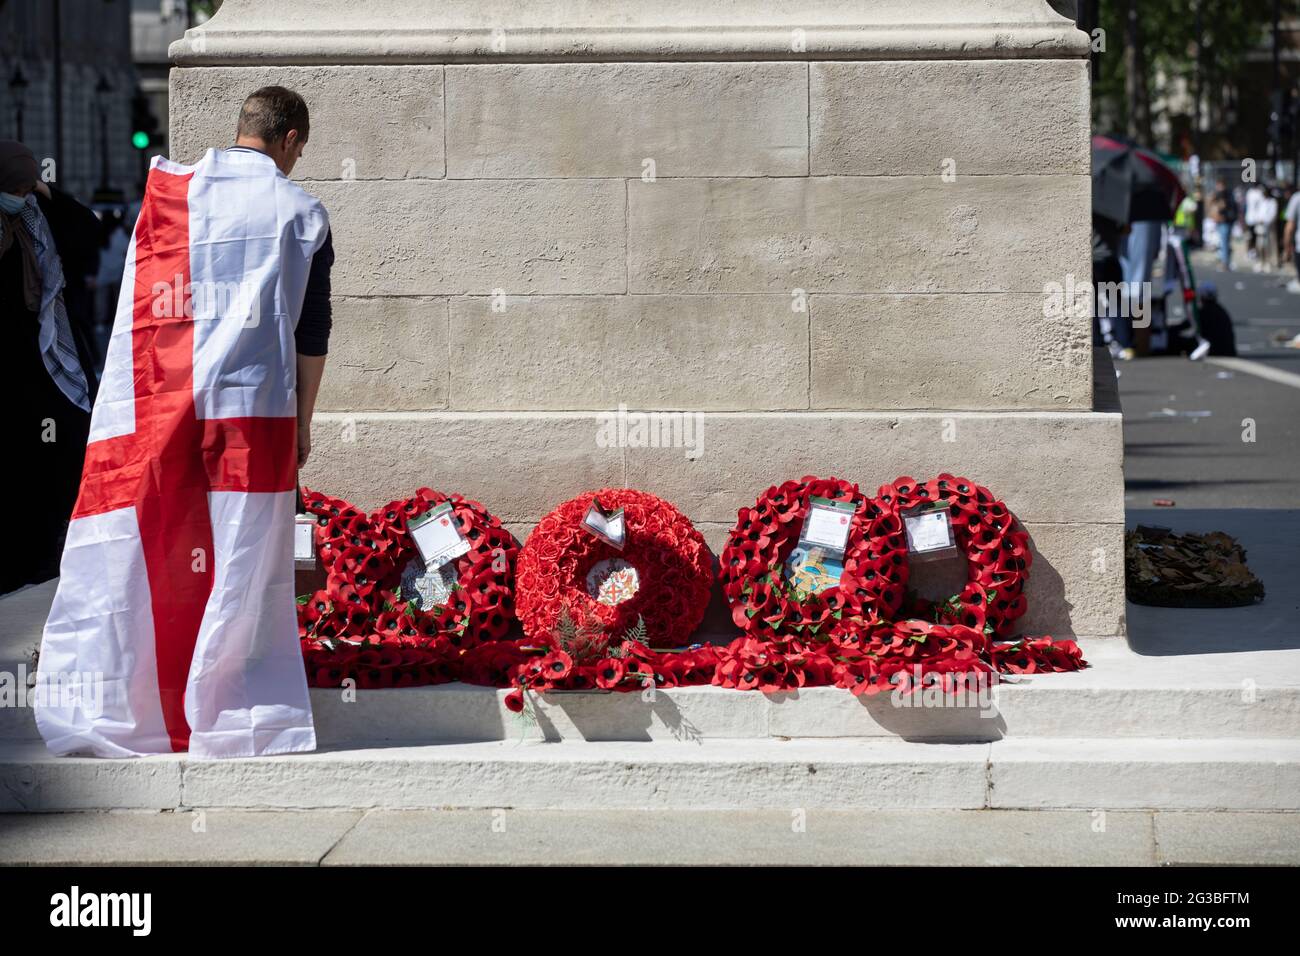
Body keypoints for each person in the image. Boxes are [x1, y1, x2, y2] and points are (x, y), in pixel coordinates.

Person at [35, 87, 334, 759]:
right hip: (252, 413)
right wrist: (304, 424)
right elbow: (312, 330)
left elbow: (138, 315)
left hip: (159, 406)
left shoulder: (170, 195)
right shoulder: (300, 211)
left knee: (158, 544)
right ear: (289, 140)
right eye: (299, 152)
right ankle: (230, 701)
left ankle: (134, 698)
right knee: (243, 559)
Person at [0, 141, 99, 595]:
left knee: (65, 446)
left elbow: (88, 232)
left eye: (27, 186)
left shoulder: (42, 217)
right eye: (14, 186)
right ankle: (21, 558)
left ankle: (47, 550)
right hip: (11, 367)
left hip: (50, 360)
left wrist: (46, 189)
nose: (21, 194)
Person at [1208, 176, 1237, 270]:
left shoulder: (1227, 195)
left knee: (1224, 242)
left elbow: (1225, 207)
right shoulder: (1219, 194)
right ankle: (1224, 260)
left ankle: (1225, 262)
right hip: (1220, 221)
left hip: (1226, 221)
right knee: (1222, 242)